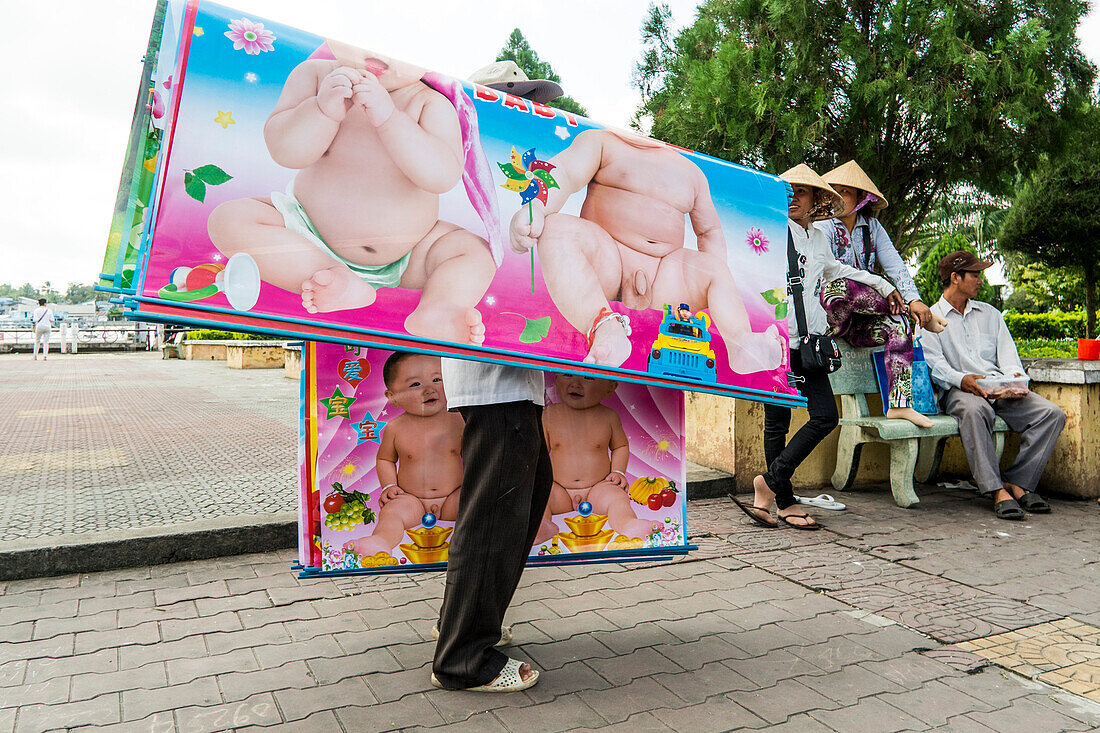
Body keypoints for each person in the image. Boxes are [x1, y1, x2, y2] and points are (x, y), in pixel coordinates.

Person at [208, 39, 501, 345]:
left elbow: (441, 177)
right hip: (304, 230)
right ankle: (330, 276)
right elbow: (285, 152)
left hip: (410, 254)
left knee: (475, 251)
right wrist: (322, 109)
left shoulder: (430, 103)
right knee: (229, 219)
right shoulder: (315, 76)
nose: (383, 49)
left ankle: (439, 309)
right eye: (366, 33)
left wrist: (390, 119)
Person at [430, 60, 565, 694]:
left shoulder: (519, 183)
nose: (531, 111)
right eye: (520, 101)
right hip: (495, 379)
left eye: (534, 102)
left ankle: (475, 628)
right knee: (492, 517)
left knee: (521, 502)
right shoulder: (474, 177)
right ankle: (464, 657)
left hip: (518, 380)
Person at [508, 128, 782, 374]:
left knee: (714, 268)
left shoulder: (693, 172)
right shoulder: (602, 142)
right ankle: (602, 325)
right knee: (555, 228)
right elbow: (564, 173)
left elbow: (709, 231)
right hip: (605, 258)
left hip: (665, 273)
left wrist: (713, 289)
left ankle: (741, 343)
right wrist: (536, 209)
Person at [733, 165, 897, 531]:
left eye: (801, 192)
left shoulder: (819, 241)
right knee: (776, 422)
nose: (792, 197)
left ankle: (769, 482)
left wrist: (884, 286)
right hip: (776, 343)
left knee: (825, 416)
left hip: (810, 346)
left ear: (816, 201)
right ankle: (784, 500)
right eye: (786, 191)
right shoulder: (770, 234)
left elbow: (839, 271)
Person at [920, 251, 1064, 520]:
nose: (980, 281)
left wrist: (1013, 381)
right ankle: (995, 490)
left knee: (1052, 415)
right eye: (975, 275)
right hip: (960, 390)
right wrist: (961, 379)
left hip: (1000, 389)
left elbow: (1009, 357)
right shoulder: (930, 318)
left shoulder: (991, 314)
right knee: (975, 411)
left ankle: (1018, 482)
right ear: (955, 277)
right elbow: (934, 365)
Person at [819, 161, 946, 428]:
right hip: (832, 315)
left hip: (863, 319)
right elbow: (830, 271)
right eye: (835, 190)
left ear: (860, 198)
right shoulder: (825, 226)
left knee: (899, 324)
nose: (840, 197)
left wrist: (913, 298)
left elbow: (895, 265)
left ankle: (900, 405)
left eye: (847, 191)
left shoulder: (873, 228)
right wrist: (881, 284)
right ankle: (917, 313)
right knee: (841, 286)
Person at [342, 353, 464, 559]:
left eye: (437, 379)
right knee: (392, 513)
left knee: (475, 501)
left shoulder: (459, 419)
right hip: (411, 499)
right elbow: (385, 459)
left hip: (453, 496)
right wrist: (389, 486)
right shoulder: (395, 427)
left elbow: (473, 454)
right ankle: (381, 540)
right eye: (415, 384)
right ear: (392, 397)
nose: (429, 389)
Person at [540, 374, 656, 541]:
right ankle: (541, 525)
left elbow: (620, 446)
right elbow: (540, 451)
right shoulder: (549, 415)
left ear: (610, 388)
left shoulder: (608, 417)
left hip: (597, 489)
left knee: (617, 498)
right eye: (567, 375)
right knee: (541, 494)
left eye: (588, 378)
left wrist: (618, 472)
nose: (576, 383)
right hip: (559, 489)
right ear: (556, 380)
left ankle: (627, 524)